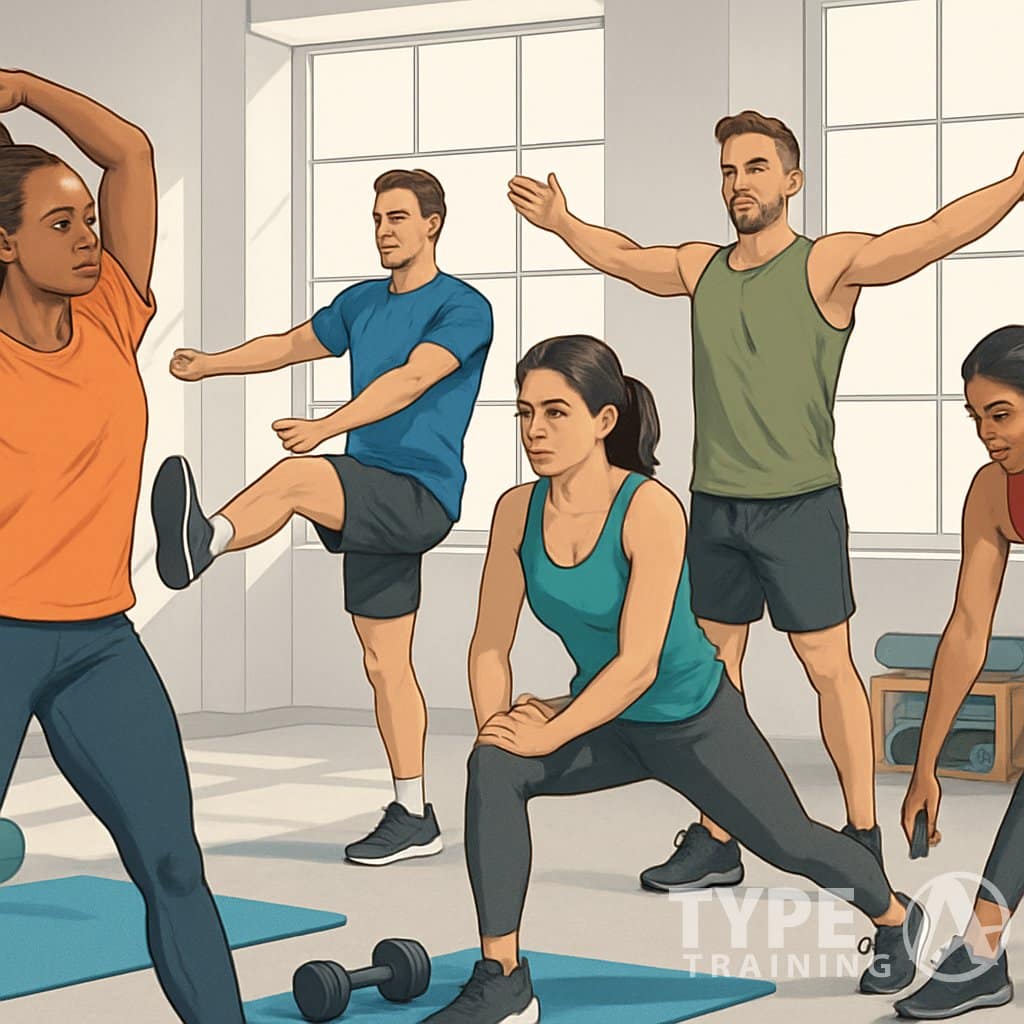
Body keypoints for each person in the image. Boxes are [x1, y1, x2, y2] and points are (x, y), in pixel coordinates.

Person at [508, 110, 1024, 893]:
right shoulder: (700, 268)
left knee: (826, 665)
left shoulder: (828, 267)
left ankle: (860, 835)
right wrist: (563, 223)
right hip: (715, 504)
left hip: (800, 505)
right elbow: (623, 257)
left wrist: (1018, 186)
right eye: (727, 170)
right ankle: (720, 838)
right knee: (714, 671)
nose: (738, 183)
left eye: (754, 167)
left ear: (792, 180)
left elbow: (930, 234)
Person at [421, 333, 926, 1024]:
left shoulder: (650, 508)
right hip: (610, 718)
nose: (534, 430)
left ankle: (895, 913)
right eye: (525, 412)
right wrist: (499, 724)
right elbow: (489, 647)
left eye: (556, 412)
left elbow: (640, 664)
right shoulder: (517, 511)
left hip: (692, 720)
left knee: (790, 842)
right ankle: (503, 977)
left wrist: (554, 730)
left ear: (604, 421)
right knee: (494, 764)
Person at [153, 168, 493, 866]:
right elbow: (285, 344)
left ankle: (206, 539)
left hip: (417, 493)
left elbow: (412, 380)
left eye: (398, 217)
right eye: (376, 218)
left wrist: (328, 425)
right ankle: (413, 812)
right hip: (370, 493)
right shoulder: (362, 303)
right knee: (383, 661)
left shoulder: (462, 306)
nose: (384, 230)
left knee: (298, 477)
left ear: (433, 223)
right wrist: (208, 364)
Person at [0, 70, 244, 1022]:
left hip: (100, 639)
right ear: (5, 242)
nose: (88, 237)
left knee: (174, 863)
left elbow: (130, 154)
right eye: (59, 224)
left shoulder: (111, 316)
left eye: (86, 219)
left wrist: (17, 87)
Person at [894, 325, 1024, 1019]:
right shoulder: (993, 492)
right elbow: (968, 632)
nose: (986, 435)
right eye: (977, 418)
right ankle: (980, 955)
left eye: (1000, 414)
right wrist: (926, 766)